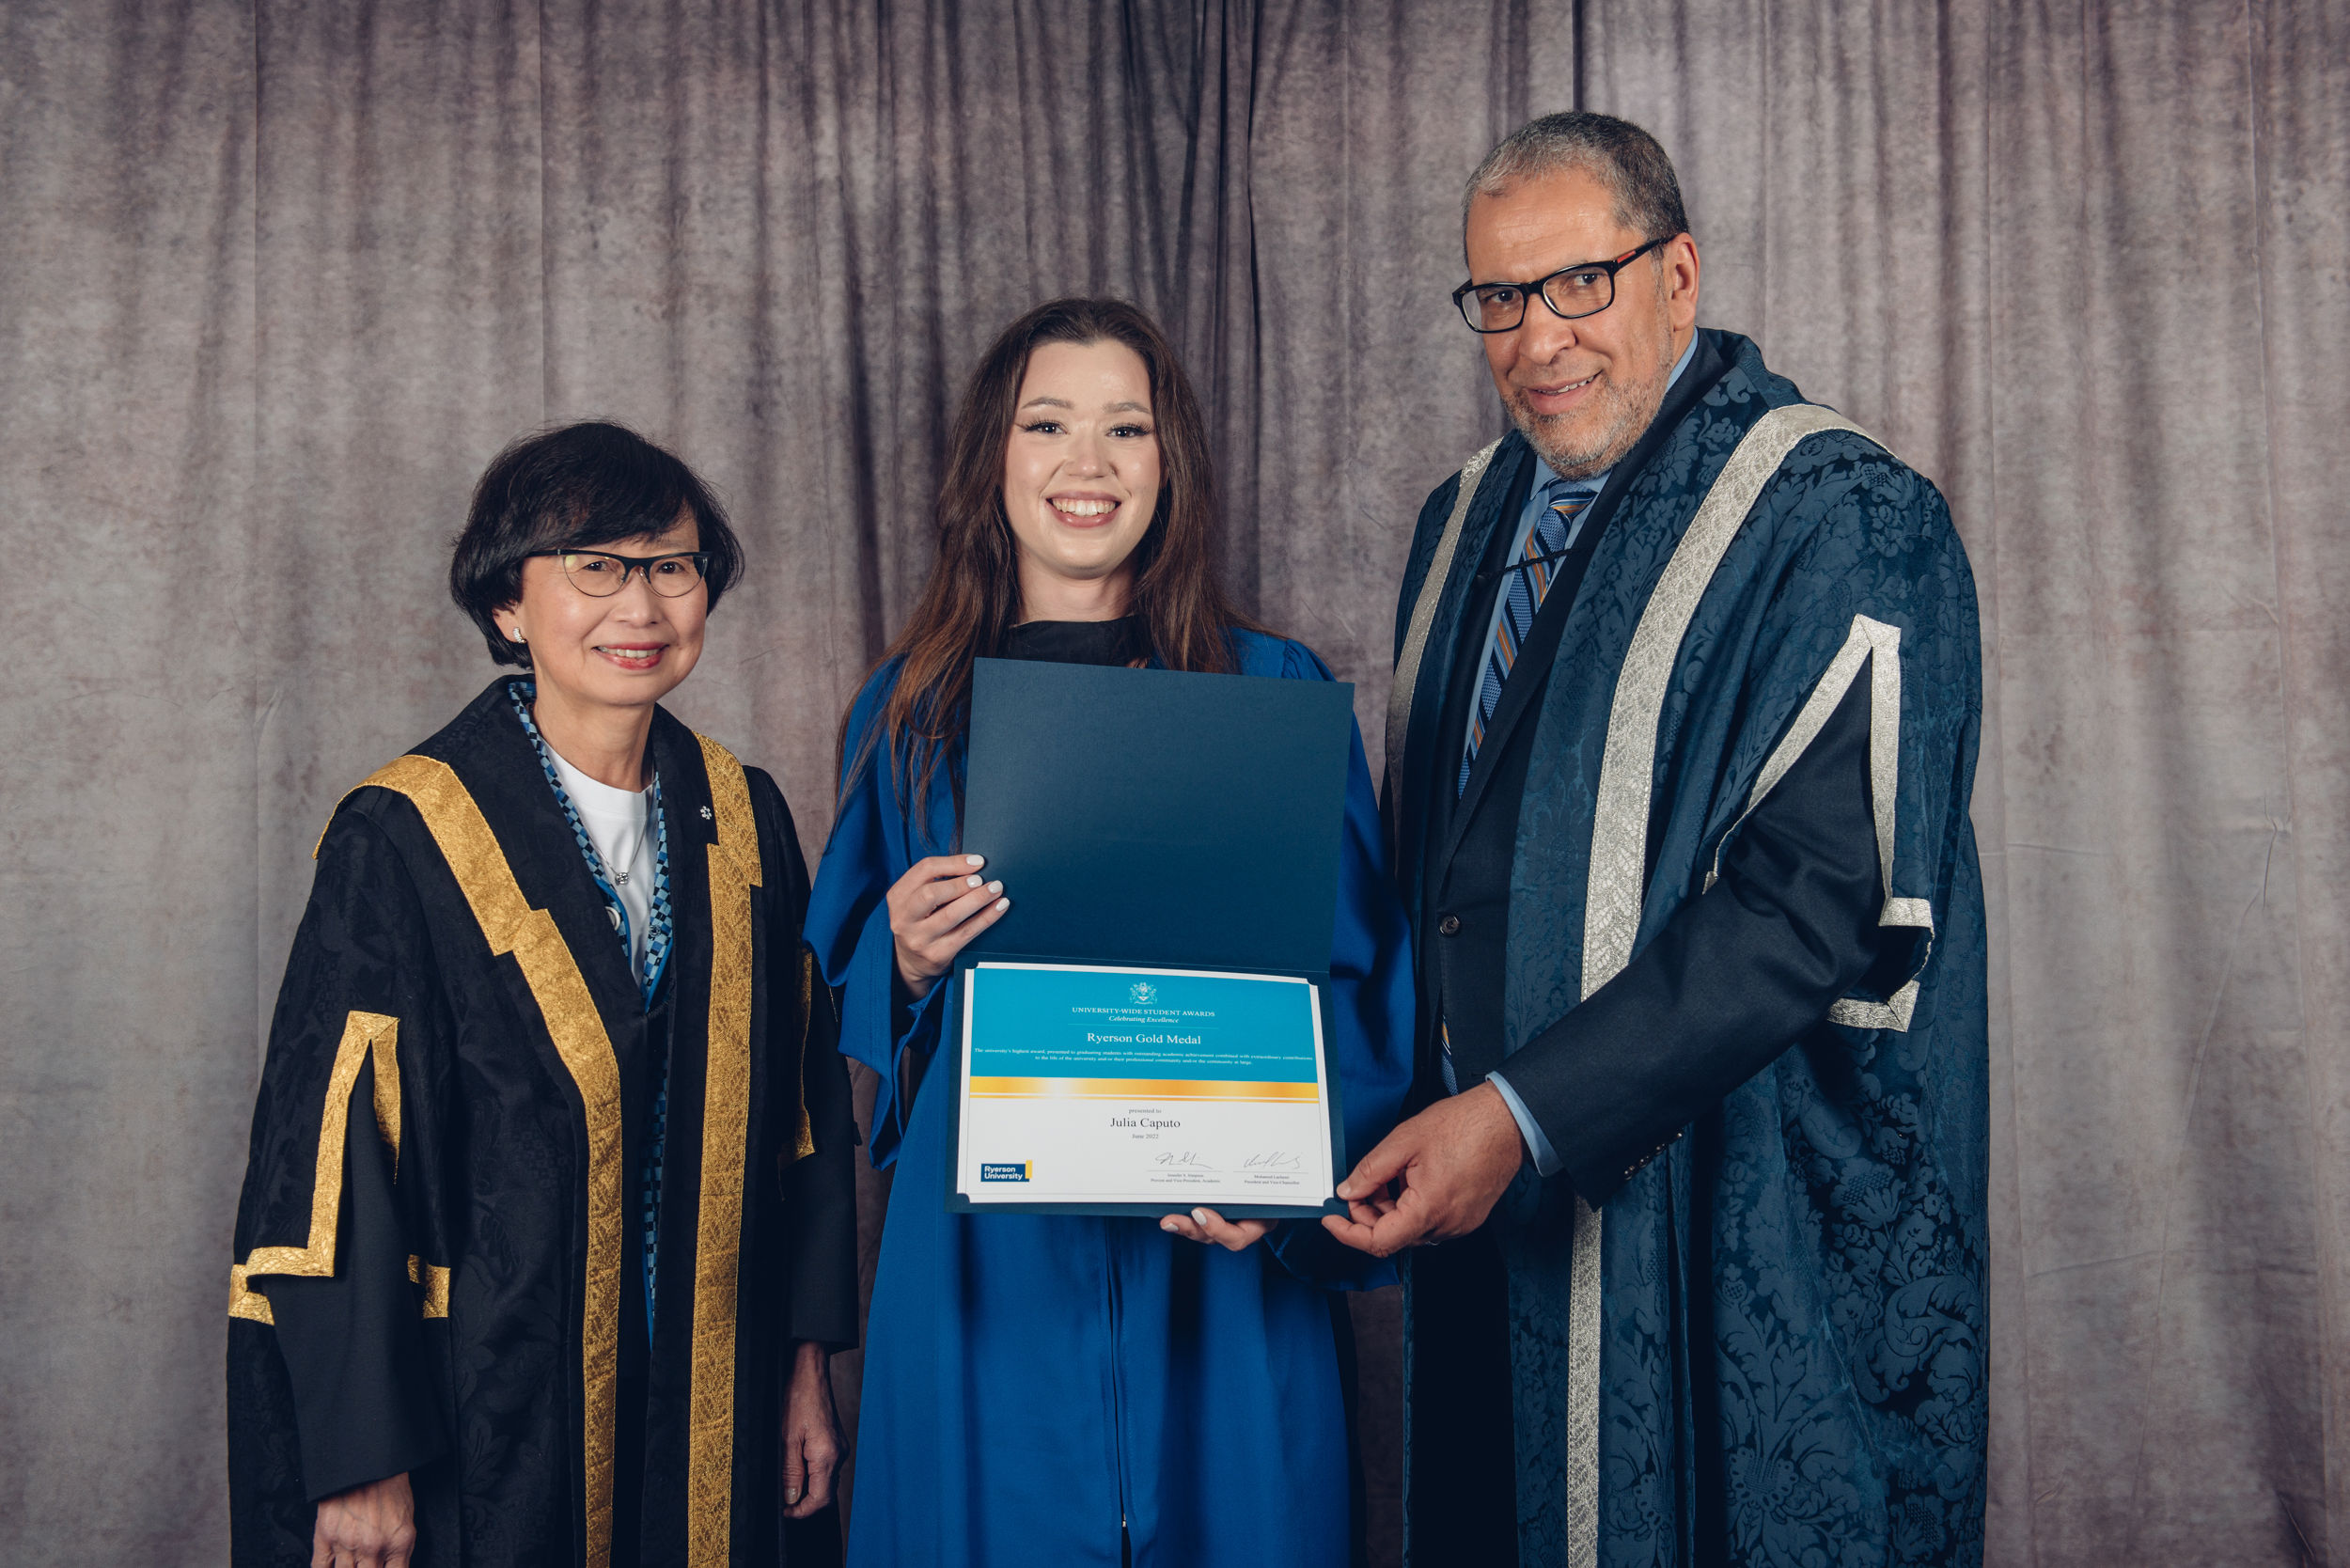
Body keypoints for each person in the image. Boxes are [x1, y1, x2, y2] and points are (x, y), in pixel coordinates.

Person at [1326, 113, 1989, 1567]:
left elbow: (1809, 908)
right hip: (1476, 1209)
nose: (1537, 339)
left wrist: (1519, 1116)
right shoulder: (1463, 522)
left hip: (1735, 1215)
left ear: (1678, 276)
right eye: (1498, 297)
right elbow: (1424, 881)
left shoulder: (1844, 517)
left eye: (1581, 283)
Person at [804, 297, 1414, 1568]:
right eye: (1049, 425)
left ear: (1171, 461)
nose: (1089, 465)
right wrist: (904, 959)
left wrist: (1291, 1184)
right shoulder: (911, 712)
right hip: (987, 1279)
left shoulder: (1270, 689)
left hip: (1223, 1273)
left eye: (1126, 428)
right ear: (992, 463)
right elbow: (830, 990)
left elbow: (1361, 985)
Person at [226, 422, 859, 1568]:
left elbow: (803, 1115)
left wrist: (803, 1365)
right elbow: (328, 1165)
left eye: (671, 566)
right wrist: (363, 1455)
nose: (642, 606)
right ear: (509, 607)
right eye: (595, 566)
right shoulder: (406, 834)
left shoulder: (746, 820)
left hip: (713, 1392)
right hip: (491, 1406)